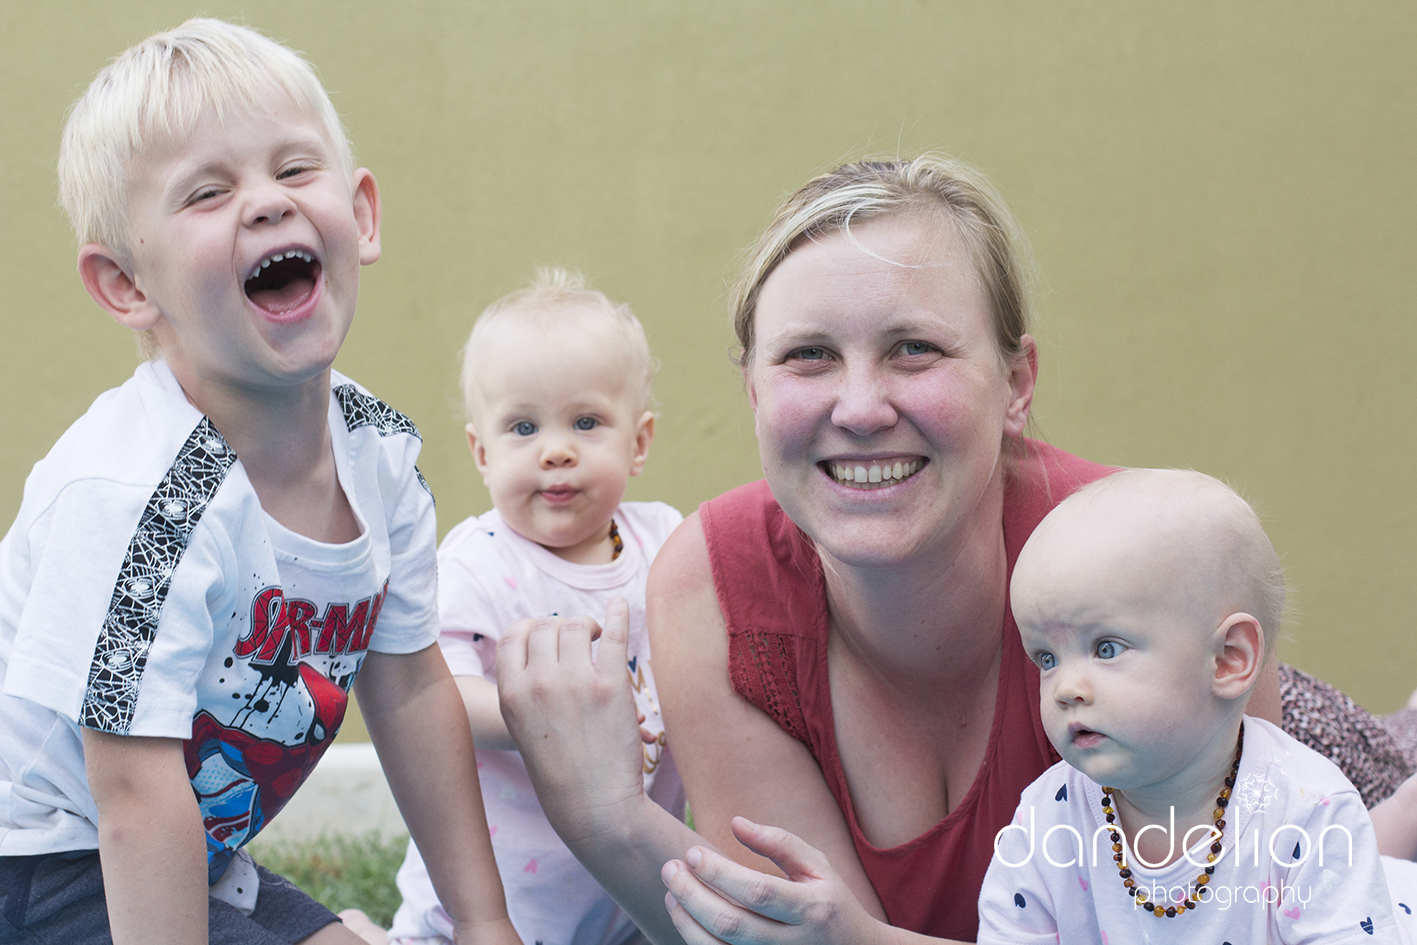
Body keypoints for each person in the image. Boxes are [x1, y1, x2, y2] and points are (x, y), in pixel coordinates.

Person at [492, 155, 1417, 945]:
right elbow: (791, 933)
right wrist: (603, 818)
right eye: (808, 355)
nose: (859, 407)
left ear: (1015, 384)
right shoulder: (714, 589)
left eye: (913, 349)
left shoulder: (1159, 565)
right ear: (753, 391)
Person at [0, 20, 520, 945]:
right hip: (42, 864)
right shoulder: (136, 501)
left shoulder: (378, 457)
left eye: (294, 168)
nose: (267, 203)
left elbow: (409, 688)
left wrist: (485, 924)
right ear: (126, 283)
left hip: (191, 851)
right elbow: (133, 798)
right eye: (207, 192)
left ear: (360, 214)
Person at [369, 271, 685, 945]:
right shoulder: (475, 564)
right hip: (498, 903)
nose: (556, 449)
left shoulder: (667, 545)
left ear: (638, 442)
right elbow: (437, 693)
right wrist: (544, 718)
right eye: (523, 426)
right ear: (482, 453)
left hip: (625, 904)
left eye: (586, 422)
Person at [978, 468, 1417, 943]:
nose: (1066, 688)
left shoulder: (1310, 810)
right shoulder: (1047, 818)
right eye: (1046, 658)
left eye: (1106, 648)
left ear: (1228, 658)